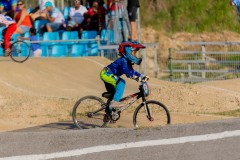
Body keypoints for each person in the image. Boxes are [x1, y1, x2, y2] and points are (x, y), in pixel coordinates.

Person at [100, 41, 149, 122]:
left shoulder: (126, 61)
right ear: (128, 52)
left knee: (113, 94)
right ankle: (114, 103)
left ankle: (109, 114)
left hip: (109, 75)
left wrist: (142, 76)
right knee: (121, 83)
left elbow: (132, 71)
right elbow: (128, 74)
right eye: (134, 52)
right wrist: (138, 78)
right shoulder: (123, 61)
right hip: (106, 74)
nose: (135, 55)